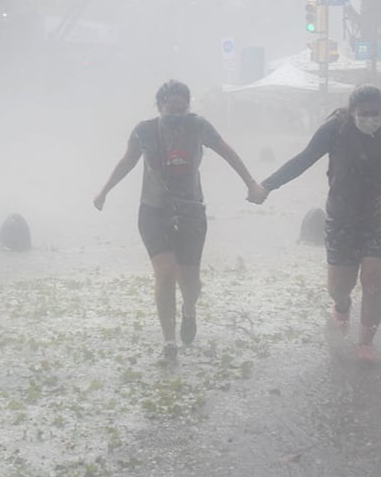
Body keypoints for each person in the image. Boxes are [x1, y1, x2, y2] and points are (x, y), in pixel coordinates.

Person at [248, 84, 381, 360]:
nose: (370, 118)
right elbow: (303, 160)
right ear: (352, 111)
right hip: (342, 215)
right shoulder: (336, 129)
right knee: (338, 287)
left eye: (376, 113)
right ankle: (342, 307)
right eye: (364, 113)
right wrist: (267, 185)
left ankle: (365, 343)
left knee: (374, 280)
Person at [94, 80, 267, 364]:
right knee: (164, 272)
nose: (176, 114)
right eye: (169, 108)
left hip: (190, 211)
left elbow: (227, 151)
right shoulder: (144, 131)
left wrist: (251, 183)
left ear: (189, 106)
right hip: (153, 210)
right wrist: (104, 191)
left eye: (182, 108)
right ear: (159, 106)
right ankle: (169, 342)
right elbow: (127, 161)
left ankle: (189, 310)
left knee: (189, 281)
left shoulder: (199, 126)